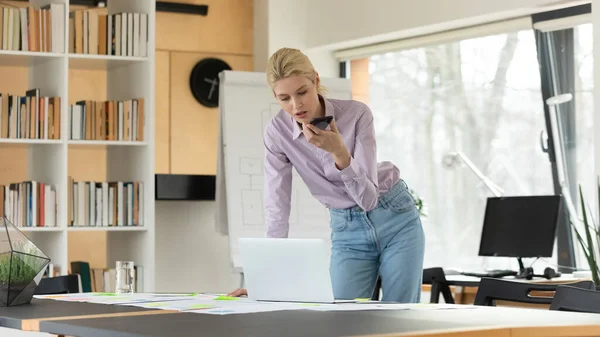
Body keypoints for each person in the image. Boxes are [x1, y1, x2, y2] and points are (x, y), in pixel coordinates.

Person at [228, 47, 425, 302]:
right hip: (347, 229)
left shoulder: (357, 114)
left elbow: (368, 199)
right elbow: (277, 203)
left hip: (395, 217)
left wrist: (340, 153)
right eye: (284, 98)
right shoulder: (277, 133)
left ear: (316, 81)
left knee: (400, 316)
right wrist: (267, 278)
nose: (296, 105)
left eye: (302, 92)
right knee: (339, 318)